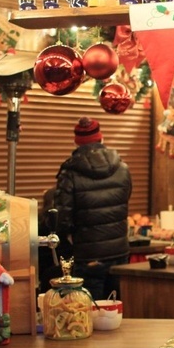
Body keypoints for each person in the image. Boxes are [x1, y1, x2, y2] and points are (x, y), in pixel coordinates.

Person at [54, 117, 132, 301]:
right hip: (120, 252)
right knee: (117, 310)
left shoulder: (70, 173)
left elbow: (62, 219)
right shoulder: (122, 168)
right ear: (101, 138)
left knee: (89, 310)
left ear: (76, 141)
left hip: (87, 255)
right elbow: (124, 199)